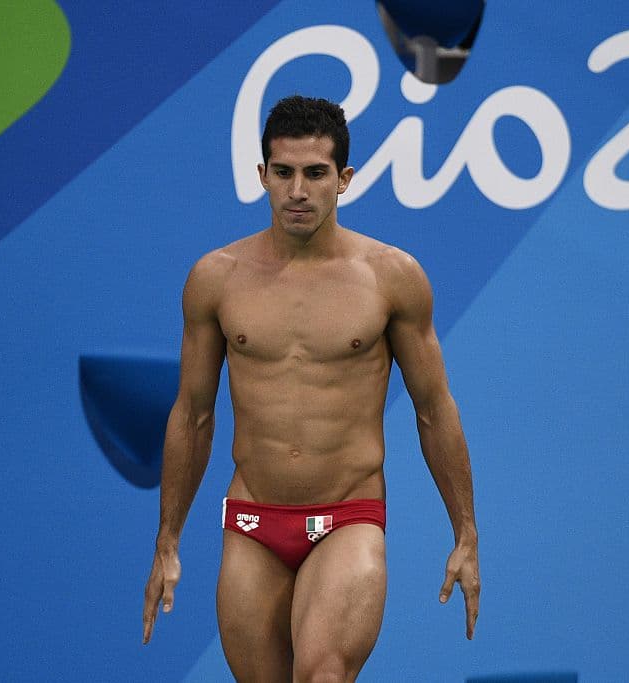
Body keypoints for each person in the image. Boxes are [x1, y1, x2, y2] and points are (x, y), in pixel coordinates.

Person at [141, 95, 480, 682]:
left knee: (322, 674)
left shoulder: (391, 278)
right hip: (252, 521)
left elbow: (433, 410)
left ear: (343, 180)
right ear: (262, 176)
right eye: (284, 172)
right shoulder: (216, 279)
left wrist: (465, 532)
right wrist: (167, 540)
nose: (298, 189)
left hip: (349, 516)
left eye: (316, 173)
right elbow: (193, 415)